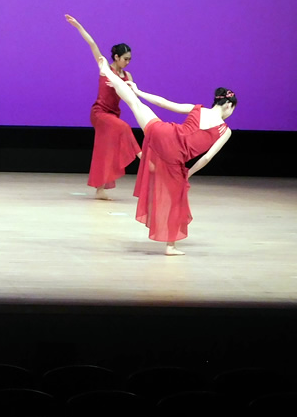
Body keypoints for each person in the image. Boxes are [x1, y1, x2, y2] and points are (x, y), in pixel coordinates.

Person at [98, 57, 235, 255]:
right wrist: (188, 174)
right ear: (228, 105)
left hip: (165, 133)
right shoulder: (225, 130)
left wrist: (138, 91)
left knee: (134, 103)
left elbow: (164, 103)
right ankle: (170, 246)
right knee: (175, 201)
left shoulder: (197, 109)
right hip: (175, 157)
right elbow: (206, 158)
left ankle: (108, 73)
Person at [65, 14, 141, 199]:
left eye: (129, 59)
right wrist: (78, 26)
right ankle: (142, 156)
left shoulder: (128, 76)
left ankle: (100, 190)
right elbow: (92, 44)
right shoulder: (105, 67)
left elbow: (132, 99)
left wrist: (131, 89)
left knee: (105, 151)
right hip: (100, 113)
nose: (128, 62)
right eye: (125, 59)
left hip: (113, 115)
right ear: (116, 57)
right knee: (124, 128)